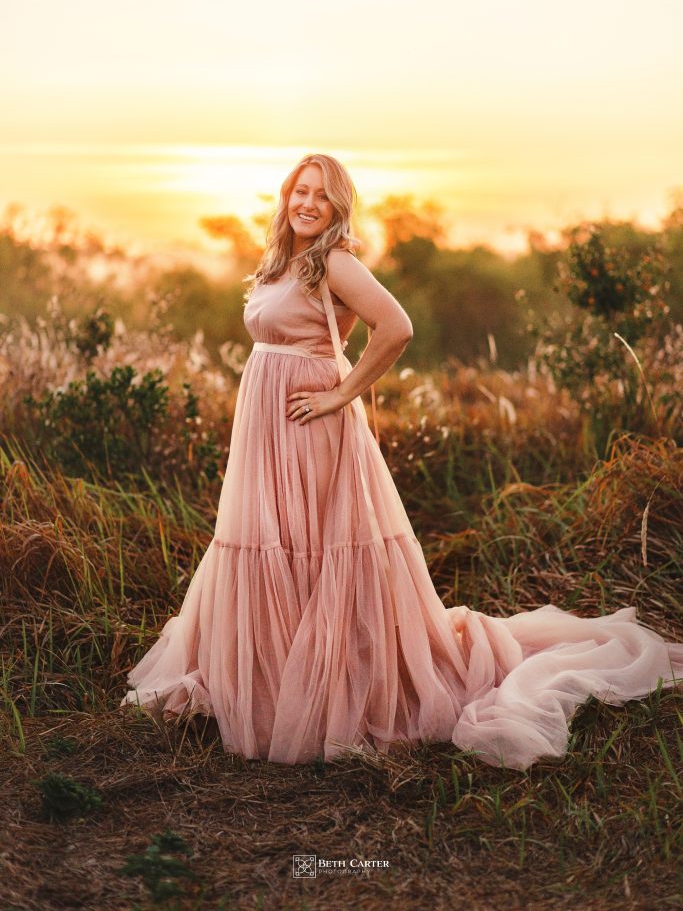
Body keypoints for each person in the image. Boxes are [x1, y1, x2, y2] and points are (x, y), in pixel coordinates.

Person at [120, 153, 683, 770]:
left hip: (310, 427)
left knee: (317, 545)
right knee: (272, 541)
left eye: (322, 196)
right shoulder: (281, 262)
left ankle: (331, 688)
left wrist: (339, 392)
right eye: (299, 192)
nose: (307, 203)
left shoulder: (333, 261)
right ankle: (274, 680)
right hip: (265, 430)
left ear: (338, 207)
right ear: (285, 198)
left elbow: (396, 326)